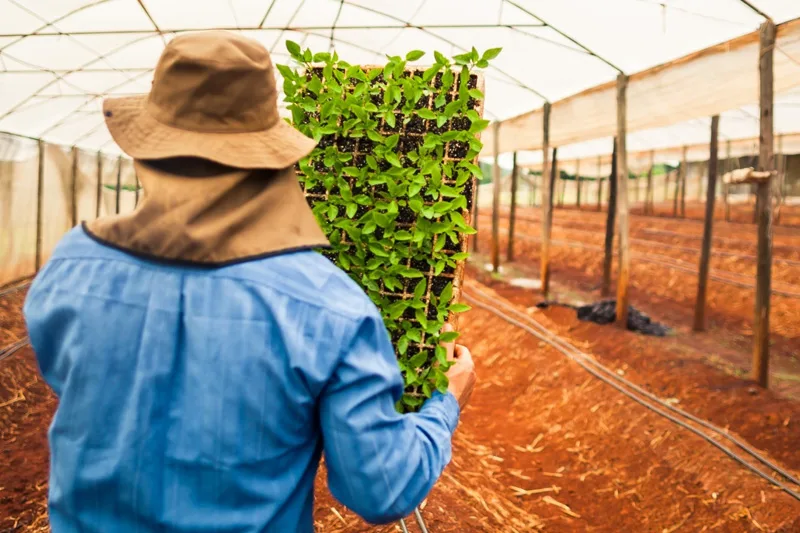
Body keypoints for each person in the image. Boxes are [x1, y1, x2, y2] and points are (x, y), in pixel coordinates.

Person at [23, 31, 476, 533]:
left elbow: (69, 378)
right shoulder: (331, 308)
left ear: (144, 154)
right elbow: (381, 488)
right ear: (271, 162)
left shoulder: (73, 266)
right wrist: (446, 403)